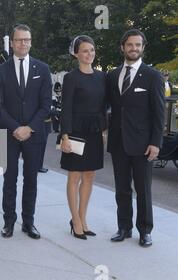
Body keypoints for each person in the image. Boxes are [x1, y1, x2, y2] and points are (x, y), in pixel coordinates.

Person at [107, 29, 165, 247]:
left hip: (143, 145)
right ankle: (124, 227)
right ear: (123, 47)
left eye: (138, 45)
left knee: (143, 190)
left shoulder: (153, 76)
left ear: (142, 48)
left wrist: (155, 143)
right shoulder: (112, 75)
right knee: (121, 188)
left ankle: (145, 230)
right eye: (130, 45)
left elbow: (159, 113)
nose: (134, 48)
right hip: (118, 142)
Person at [0, 24, 52, 239]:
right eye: (19, 40)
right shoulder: (0, 71)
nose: (23, 43)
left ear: (30, 41)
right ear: (12, 43)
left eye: (27, 40)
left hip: (34, 134)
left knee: (31, 180)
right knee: (8, 180)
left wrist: (28, 127)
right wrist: (15, 128)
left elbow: (46, 104)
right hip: (7, 133)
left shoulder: (43, 69)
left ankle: (28, 223)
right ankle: (8, 222)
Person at [60, 35, 107, 240]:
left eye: (92, 50)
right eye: (85, 50)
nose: (89, 54)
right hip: (76, 132)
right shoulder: (71, 77)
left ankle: (82, 218)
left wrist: (104, 130)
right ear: (76, 53)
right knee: (74, 176)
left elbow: (104, 107)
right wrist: (65, 136)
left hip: (94, 131)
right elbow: (66, 109)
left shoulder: (101, 77)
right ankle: (75, 220)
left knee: (89, 176)